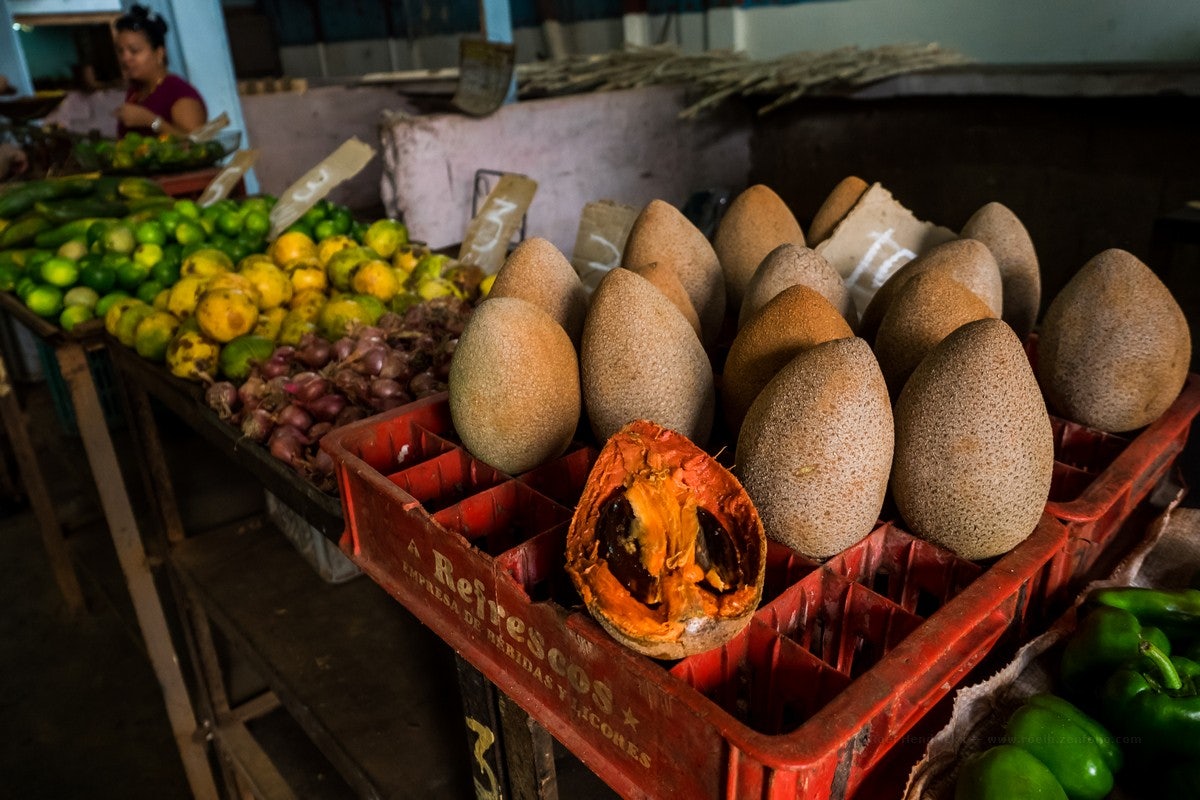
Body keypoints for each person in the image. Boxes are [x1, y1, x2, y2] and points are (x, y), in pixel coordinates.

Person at [112, 5, 207, 138]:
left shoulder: (179, 93)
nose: (125, 58)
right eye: (121, 51)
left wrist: (152, 121)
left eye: (134, 50)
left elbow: (196, 147)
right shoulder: (136, 92)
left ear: (159, 53)